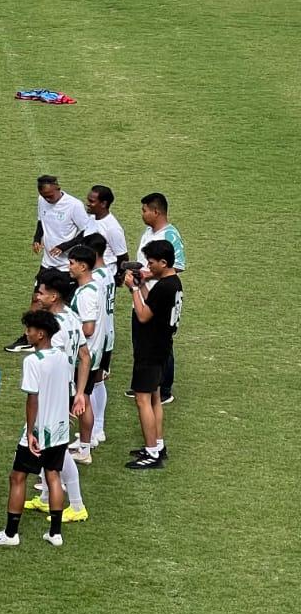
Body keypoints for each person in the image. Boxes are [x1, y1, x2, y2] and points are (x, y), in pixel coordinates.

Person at [0, 310, 70, 548]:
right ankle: (55, 533)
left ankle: (11, 533)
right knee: (53, 475)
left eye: (30, 330)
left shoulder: (33, 361)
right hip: (60, 429)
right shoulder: (62, 357)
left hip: (40, 431)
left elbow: (32, 399)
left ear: (40, 334)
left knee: (17, 477)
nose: (26, 334)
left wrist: (30, 432)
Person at [29, 274, 90, 523]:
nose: (37, 296)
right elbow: (85, 355)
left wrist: (67, 395)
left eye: (41, 293)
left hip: (54, 393)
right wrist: (79, 392)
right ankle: (45, 497)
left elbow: (59, 362)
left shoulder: (57, 327)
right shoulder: (72, 317)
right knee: (48, 445)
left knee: (56, 449)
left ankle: (76, 505)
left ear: (53, 296)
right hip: (64, 390)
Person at [7, 176, 91, 352]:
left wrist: (64, 247)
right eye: (44, 196)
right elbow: (41, 221)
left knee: (60, 305)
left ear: (57, 188)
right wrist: (37, 238)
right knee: (37, 298)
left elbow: (87, 231)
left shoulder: (74, 205)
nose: (47, 199)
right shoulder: (42, 200)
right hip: (47, 262)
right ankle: (29, 336)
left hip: (65, 267)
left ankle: (60, 339)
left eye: (50, 196)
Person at [123, 240, 182, 470]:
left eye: (151, 262)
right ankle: (157, 445)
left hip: (150, 350)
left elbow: (144, 315)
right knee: (155, 397)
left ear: (163, 262)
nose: (148, 266)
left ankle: (151, 453)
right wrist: (143, 286)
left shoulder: (165, 287)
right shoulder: (173, 283)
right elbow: (154, 303)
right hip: (162, 347)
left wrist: (134, 289)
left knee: (142, 399)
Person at [137, 193, 186, 404]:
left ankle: (164, 388)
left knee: (161, 344)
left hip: (159, 298)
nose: (142, 214)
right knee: (142, 341)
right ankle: (145, 383)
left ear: (156, 211)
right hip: (143, 295)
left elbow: (179, 266)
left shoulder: (171, 235)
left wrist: (148, 275)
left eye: (145, 210)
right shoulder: (148, 232)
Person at [66, 244, 108, 466]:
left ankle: (84, 447)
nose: (69, 267)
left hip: (84, 356)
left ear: (83, 266)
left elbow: (88, 328)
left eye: (72, 263)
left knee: (82, 400)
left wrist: (65, 334)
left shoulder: (86, 294)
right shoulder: (95, 287)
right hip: (93, 353)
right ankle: (84, 445)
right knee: (86, 399)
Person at [85, 185, 128, 276]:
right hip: (89, 274)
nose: (87, 203)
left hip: (105, 276)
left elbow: (123, 257)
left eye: (91, 201)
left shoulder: (112, 228)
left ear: (103, 204)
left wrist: (118, 277)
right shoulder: (92, 218)